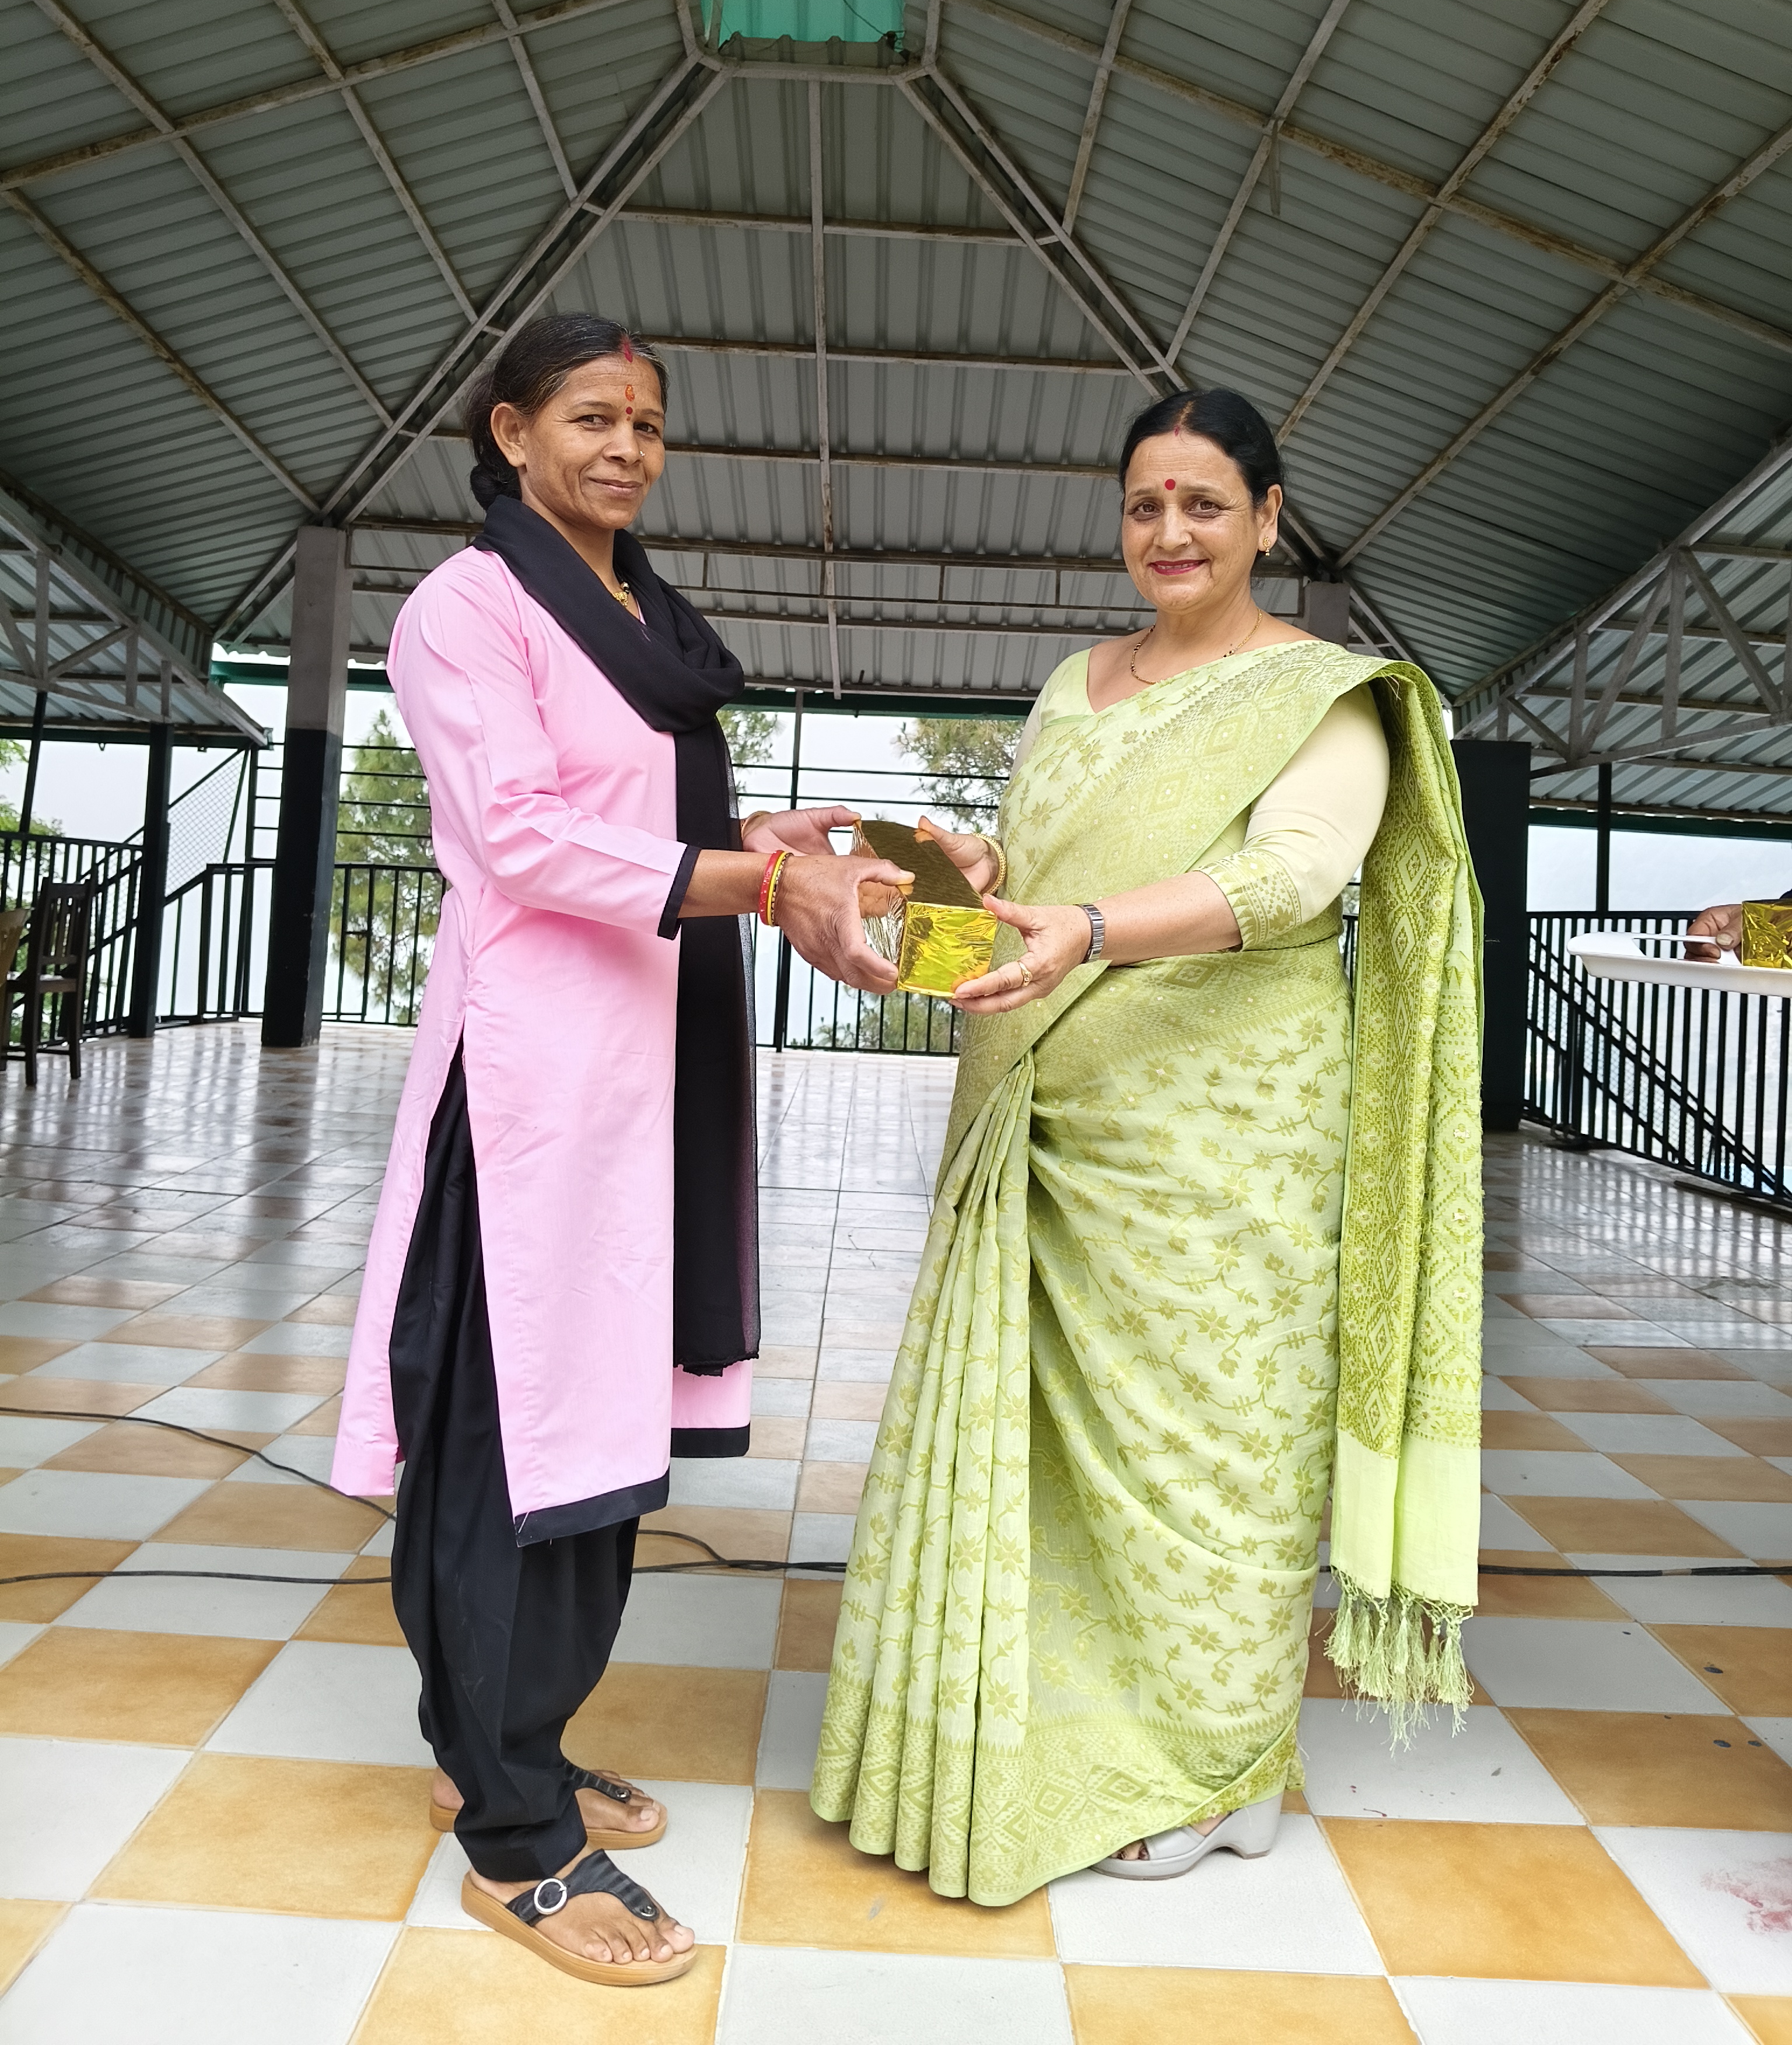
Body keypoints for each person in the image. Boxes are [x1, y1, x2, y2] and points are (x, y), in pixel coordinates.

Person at [811, 387, 1485, 1905]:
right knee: (1050, 1452)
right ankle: (1055, 1729)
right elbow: (1044, 858)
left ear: (1267, 516)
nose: (1169, 533)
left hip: (1223, 1134)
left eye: (1202, 504)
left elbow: (1295, 877)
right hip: (1046, 1114)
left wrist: (1092, 926)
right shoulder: (1076, 683)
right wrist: (978, 863)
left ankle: (1226, 1771)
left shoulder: (1326, 694)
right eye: (1144, 505)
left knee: (1212, 1449)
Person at [331, 311, 904, 1985]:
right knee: (506, 1435)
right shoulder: (470, 608)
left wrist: (760, 839)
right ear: (511, 434)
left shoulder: (645, 618)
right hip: (529, 1082)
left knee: (600, 1413)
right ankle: (512, 1837)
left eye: (647, 425)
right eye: (591, 417)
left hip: (649, 1064)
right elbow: (522, 836)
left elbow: (640, 823)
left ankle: (519, 1740)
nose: (626, 448)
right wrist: (762, 883)